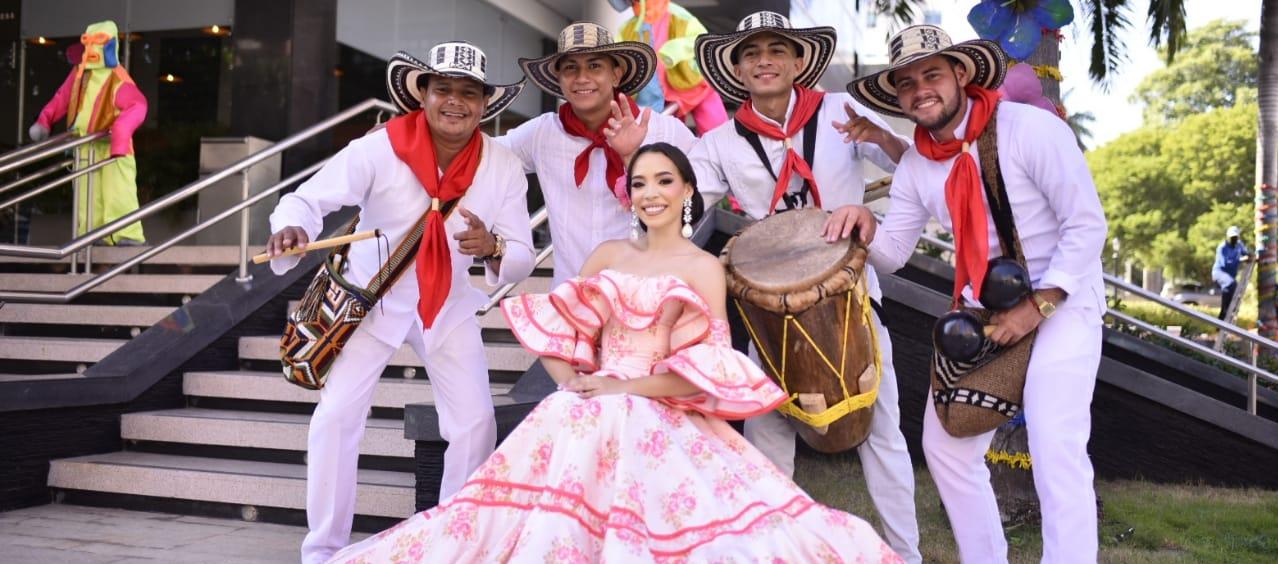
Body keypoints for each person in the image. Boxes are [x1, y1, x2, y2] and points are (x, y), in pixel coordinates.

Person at [324, 143, 903, 562]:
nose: (651, 193)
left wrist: (626, 389)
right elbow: (561, 326)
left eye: (664, 181)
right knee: (529, 495)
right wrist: (574, 380)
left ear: (686, 192)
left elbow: (708, 363)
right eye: (641, 182)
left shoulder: (704, 268)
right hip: (590, 398)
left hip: (661, 405)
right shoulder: (606, 255)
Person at [264, 42, 536, 564]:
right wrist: (291, 226)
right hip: (372, 300)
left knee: (475, 422)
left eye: (468, 93)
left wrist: (495, 248)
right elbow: (305, 198)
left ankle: (455, 544)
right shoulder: (379, 148)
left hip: (449, 302)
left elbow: (522, 253)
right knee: (336, 418)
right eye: (444, 90)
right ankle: (322, 551)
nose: (455, 102)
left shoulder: (501, 166)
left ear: (484, 104)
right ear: (423, 95)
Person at [847, 25, 1109, 563]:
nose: (921, 89)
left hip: (1062, 297)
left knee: (1055, 442)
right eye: (907, 82)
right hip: (986, 314)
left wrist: (1038, 308)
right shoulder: (918, 164)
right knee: (945, 449)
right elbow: (893, 251)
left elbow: (1086, 225)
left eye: (932, 74)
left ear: (961, 74)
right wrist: (858, 228)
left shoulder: (1029, 129)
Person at [675, 11, 922, 562]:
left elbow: (918, 169)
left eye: (777, 50)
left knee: (883, 432)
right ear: (737, 68)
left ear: (800, 61)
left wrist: (882, 136)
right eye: (752, 53)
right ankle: (773, 552)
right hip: (768, 307)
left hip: (853, 295)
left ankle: (907, 555)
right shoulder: (718, 141)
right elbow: (684, 206)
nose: (765, 60)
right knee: (767, 439)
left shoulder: (841, 111)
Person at [498, 21, 695, 287]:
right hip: (572, 303)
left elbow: (700, 204)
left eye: (594, 66)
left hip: (646, 301)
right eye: (570, 68)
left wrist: (633, 159)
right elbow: (482, 155)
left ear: (616, 75)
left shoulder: (667, 132)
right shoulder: (542, 134)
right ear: (559, 78)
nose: (582, 78)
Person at [30, 20, 146, 245]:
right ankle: (92, 236)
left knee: (118, 191)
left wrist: (121, 132)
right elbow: (62, 98)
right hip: (84, 145)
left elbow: (139, 106)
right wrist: (44, 121)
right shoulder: (79, 73)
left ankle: (126, 235)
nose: (92, 48)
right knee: (86, 195)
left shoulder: (117, 78)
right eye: (88, 42)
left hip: (114, 146)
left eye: (98, 42)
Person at [614, 0, 729, 133]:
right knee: (669, 136)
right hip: (654, 97)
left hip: (686, 82)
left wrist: (673, 51)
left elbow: (700, 39)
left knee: (714, 126)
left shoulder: (676, 15)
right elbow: (617, 59)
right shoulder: (628, 27)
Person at [1213, 225, 1251, 319]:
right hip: (1219, 272)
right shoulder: (1222, 248)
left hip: (1230, 275)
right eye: (1232, 237)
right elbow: (1226, 263)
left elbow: (1246, 253)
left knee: (1232, 288)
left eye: (1235, 237)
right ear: (1228, 237)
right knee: (1231, 283)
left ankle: (1225, 315)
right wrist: (1241, 259)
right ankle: (1226, 312)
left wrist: (1251, 255)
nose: (1234, 239)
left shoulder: (1239, 245)